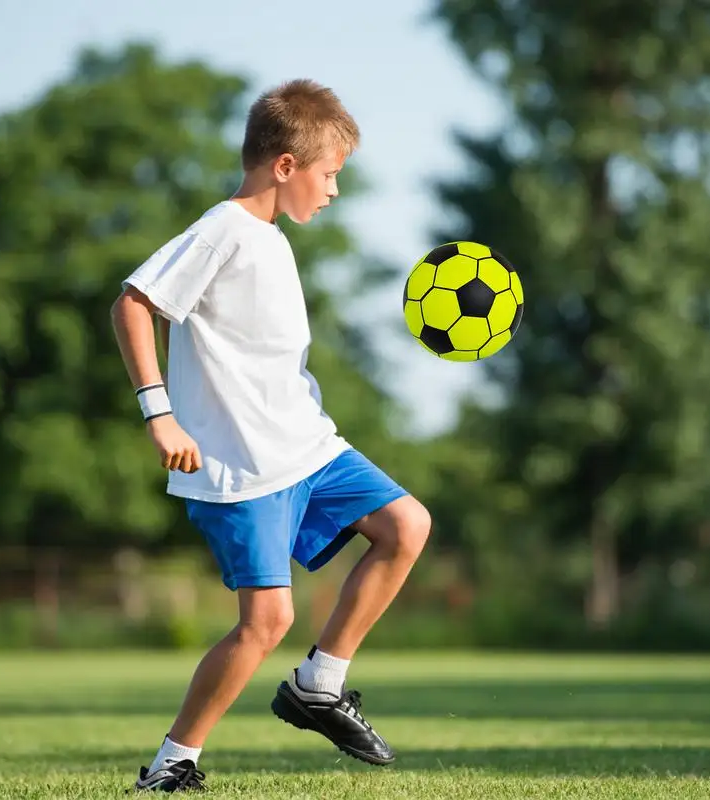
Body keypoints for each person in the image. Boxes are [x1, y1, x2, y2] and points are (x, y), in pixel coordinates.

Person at [110, 78, 432, 793]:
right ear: (285, 166)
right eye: (330, 175)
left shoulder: (273, 240)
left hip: (308, 447)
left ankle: (321, 683)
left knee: (406, 524)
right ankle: (172, 764)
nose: (335, 191)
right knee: (265, 622)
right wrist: (159, 413)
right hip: (239, 466)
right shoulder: (221, 229)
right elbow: (133, 305)